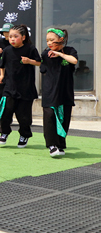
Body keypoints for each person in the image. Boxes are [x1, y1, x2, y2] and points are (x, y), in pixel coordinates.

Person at [0, 24, 41, 148]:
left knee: (24, 115)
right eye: (10, 37)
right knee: (6, 112)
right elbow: (2, 65)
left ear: (24, 37)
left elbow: (39, 62)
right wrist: (1, 76)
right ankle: (4, 132)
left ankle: (24, 135)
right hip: (10, 87)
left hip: (26, 88)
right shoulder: (7, 50)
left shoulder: (30, 49)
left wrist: (29, 61)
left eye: (16, 36)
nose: (12, 39)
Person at [40, 28, 78, 157]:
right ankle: (51, 145)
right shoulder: (45, 54)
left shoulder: (70, 51)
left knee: (64, 118)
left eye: (52, 40)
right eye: (47, 41)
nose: (49, 43)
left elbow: (74, 61)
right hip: (49, 90)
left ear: (61, 39)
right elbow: (42, 68)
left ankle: (60, 144)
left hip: (65, 91)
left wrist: (60, 54)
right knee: (49, 115)